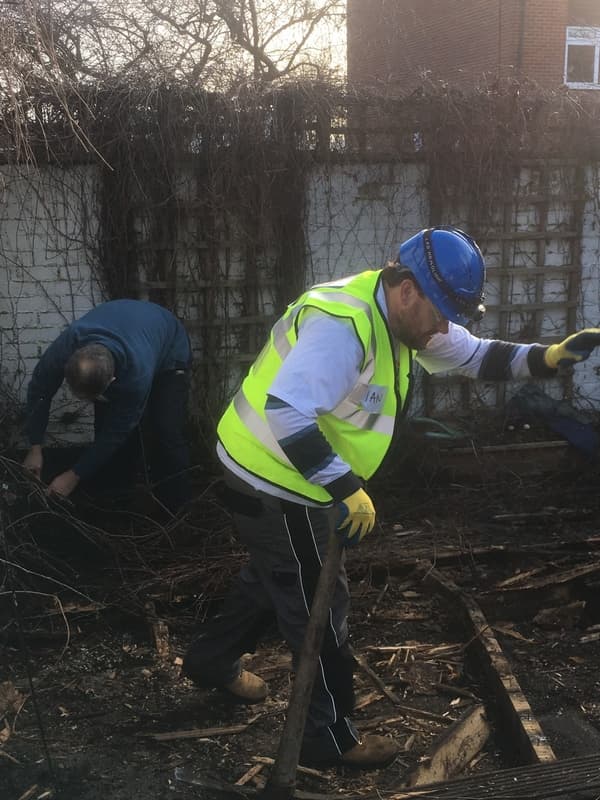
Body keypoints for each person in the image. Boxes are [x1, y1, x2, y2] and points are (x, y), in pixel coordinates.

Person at [182, 226, 600, 768]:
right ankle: (327, 738)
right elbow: (286, 411)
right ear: (409, 292)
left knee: (275, 576)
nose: (445, 327)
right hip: (276, 482)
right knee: (320, 607)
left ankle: (210, 660)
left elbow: (474, 356)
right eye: (442, 311)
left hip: (272, 473)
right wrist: (345, 487)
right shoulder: (343, 327)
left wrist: (547, 359)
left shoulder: (404, 318)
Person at [23, 299, 192, 513]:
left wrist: (73, 476)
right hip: (133, 329)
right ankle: (116, 496)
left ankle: (177, 508)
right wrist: (35, 446)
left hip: (170, 352)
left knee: (165, 430)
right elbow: (40, 390)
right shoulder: (70, 343)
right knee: (104, 427)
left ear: (112, 381)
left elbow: (116, 432)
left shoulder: (136, 375)